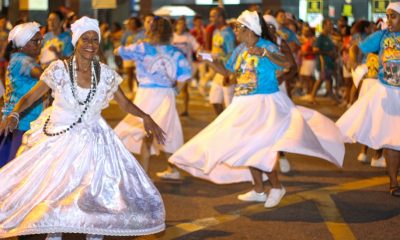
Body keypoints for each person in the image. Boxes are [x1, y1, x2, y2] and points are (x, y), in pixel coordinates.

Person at [0, 16, 166, 239]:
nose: (90, 43)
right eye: (85, 38)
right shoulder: (58, 69)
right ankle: (53, 233)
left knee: (92, 195)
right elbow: (30, 98)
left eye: (95, 39)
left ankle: (94, 234)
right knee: (56, 192)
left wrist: (146, 117)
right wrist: (13, 115)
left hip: (96, 141)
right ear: (76, 42)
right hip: (60, 140)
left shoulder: (105, 73)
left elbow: (124, 103)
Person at [169, 10, 344, 208]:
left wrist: (265, 53)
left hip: (265, 103)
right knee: (246, 145)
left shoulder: (267, 45)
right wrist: (209, 60)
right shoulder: (240, 49)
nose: (235, 31)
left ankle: (277, 187)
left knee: (259, 147)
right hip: (243, 103)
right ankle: (259, 189)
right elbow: (227, 71)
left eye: (238, 27)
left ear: (249, 29)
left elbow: (287, 63)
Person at [113, 16, 192, 178]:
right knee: (167, 131)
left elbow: (118, 51)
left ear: (151, 30)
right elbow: (185, 75)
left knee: (146, 133)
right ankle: (173, 169)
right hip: (166, 95)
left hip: (147, 94)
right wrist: (176, 90)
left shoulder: (142, 47)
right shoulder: (175, 52)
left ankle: (143, 176)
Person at [337, 2, 400, 197]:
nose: (388, 20)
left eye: (393, 16)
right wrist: (355, 62)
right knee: (392, 139)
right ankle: (393, 182)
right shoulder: (381, 36)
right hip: (387, 93)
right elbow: (356, 47)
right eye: (387, 16)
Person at [0, 22, 44, 168]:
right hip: (24, 121)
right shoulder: (24, 60)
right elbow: (43, 76)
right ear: (23, 43)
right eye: (35, 41)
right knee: (18, 167)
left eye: (40, 41)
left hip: (19, 119)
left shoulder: (17, 58)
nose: (39, 44)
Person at [208, 7, 236, 115]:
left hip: (227, 72)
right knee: (214, 100)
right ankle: (221, 125)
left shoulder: (227, 33)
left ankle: (231, 129)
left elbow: (231, 54)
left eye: (213, 16)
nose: (210, 19)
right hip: (219, 71)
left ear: (220, 17)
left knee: (229, 104)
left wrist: (228, 74)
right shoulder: (217, 32)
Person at [172, 16, 200, 116]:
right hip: (173, 68)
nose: (182, 26)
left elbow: (197, 47)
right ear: (176, 25)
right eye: (180, 24)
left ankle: (185, 109)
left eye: (184, 24)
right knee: (172, 89)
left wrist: (200, 52)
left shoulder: (189, 37)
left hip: (185, 68)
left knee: (184, 89)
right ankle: (171, 109)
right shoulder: (171, 37)